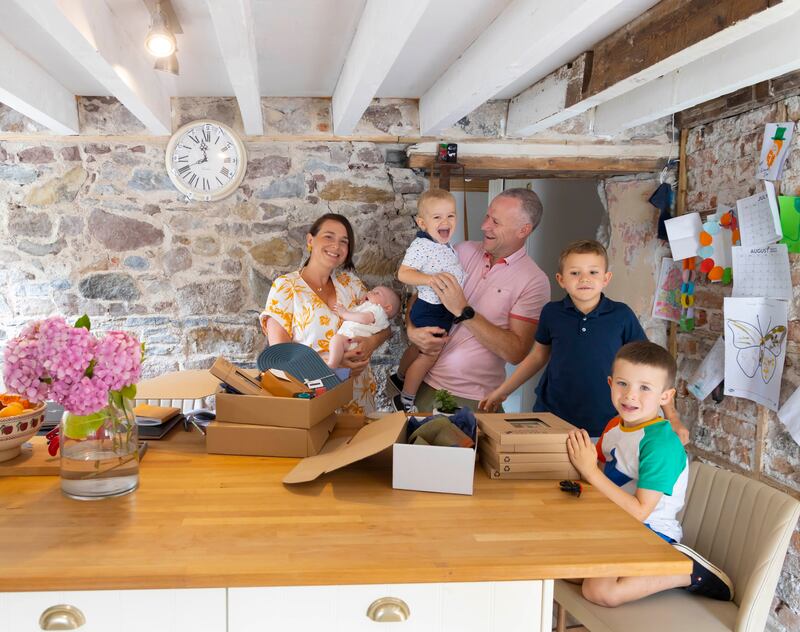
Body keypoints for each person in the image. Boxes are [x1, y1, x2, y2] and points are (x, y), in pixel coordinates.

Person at [566, 341, 733, 606]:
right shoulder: (614, 426)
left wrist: (589, 472)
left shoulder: (660, 444)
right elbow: (599, 469)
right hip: (616, 525)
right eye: (623, 384)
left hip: (650, 531)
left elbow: (640, 511)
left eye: (645, 388)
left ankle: (684, 570)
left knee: (599, 592)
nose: (630, 395)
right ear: (610, 383)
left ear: (665, 397)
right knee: (562, 568)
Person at [479, 240, 688, 442]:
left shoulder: (621, 315)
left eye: (593, 272)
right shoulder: (551, 313)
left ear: (606, 278)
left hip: (606, 421)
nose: (584, 279)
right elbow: (537, 357)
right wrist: (503, 391)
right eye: (575, 273)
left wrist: (673, 417)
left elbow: (653, 369)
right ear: (561, 279)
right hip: (552, 417)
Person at [396, 188, 550, 412]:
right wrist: (412, 331)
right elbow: (421, 296)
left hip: (472, 401)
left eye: (495, 221)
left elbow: (516, 352)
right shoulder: (460, 250)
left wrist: (464, 310)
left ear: (523, 230)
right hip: (422, 386)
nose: (484, 225)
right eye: (487, 216)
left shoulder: (534, 281)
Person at [259, 213, 390, 414]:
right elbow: (280, 358)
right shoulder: (286, 287)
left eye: (343, 241)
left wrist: (370, 344)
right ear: (310, 240)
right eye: (329, 237)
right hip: (314, 400)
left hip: (358, 398)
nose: (336, 246)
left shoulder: (352, 284)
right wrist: (334, 364)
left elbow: (383, 325)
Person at [393, 189, 465, 412]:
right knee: (429, 355)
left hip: (438, 309)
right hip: (431, 309)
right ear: (422, 223)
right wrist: (430, 280)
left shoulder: (442, 244)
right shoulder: (422, 246)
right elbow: (403, 274)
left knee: (419, 349)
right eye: (437, 217)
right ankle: (405, 399)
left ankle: (400, 377)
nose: (445, 221)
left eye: (450, 215)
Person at [327, 286, 400, 370]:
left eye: (376, 293)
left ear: (387, 307)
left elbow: (364, 319)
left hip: (353, 339)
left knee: (336, 340)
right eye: (371, 290)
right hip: (352, 341)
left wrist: (344, 314)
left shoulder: (378, 310)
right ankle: (334, 363)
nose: (370, 292)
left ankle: (332, 366)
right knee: (334, 345)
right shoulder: (370, 309)